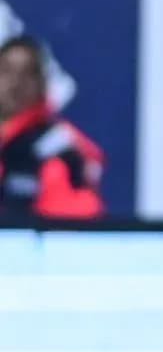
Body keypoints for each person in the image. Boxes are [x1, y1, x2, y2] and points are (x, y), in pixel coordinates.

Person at [0, 34, 104, 221]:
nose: (16, 83)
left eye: (28, 73)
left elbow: (73, 219)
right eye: (6, 71)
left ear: (42, 84)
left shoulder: (57, 148)